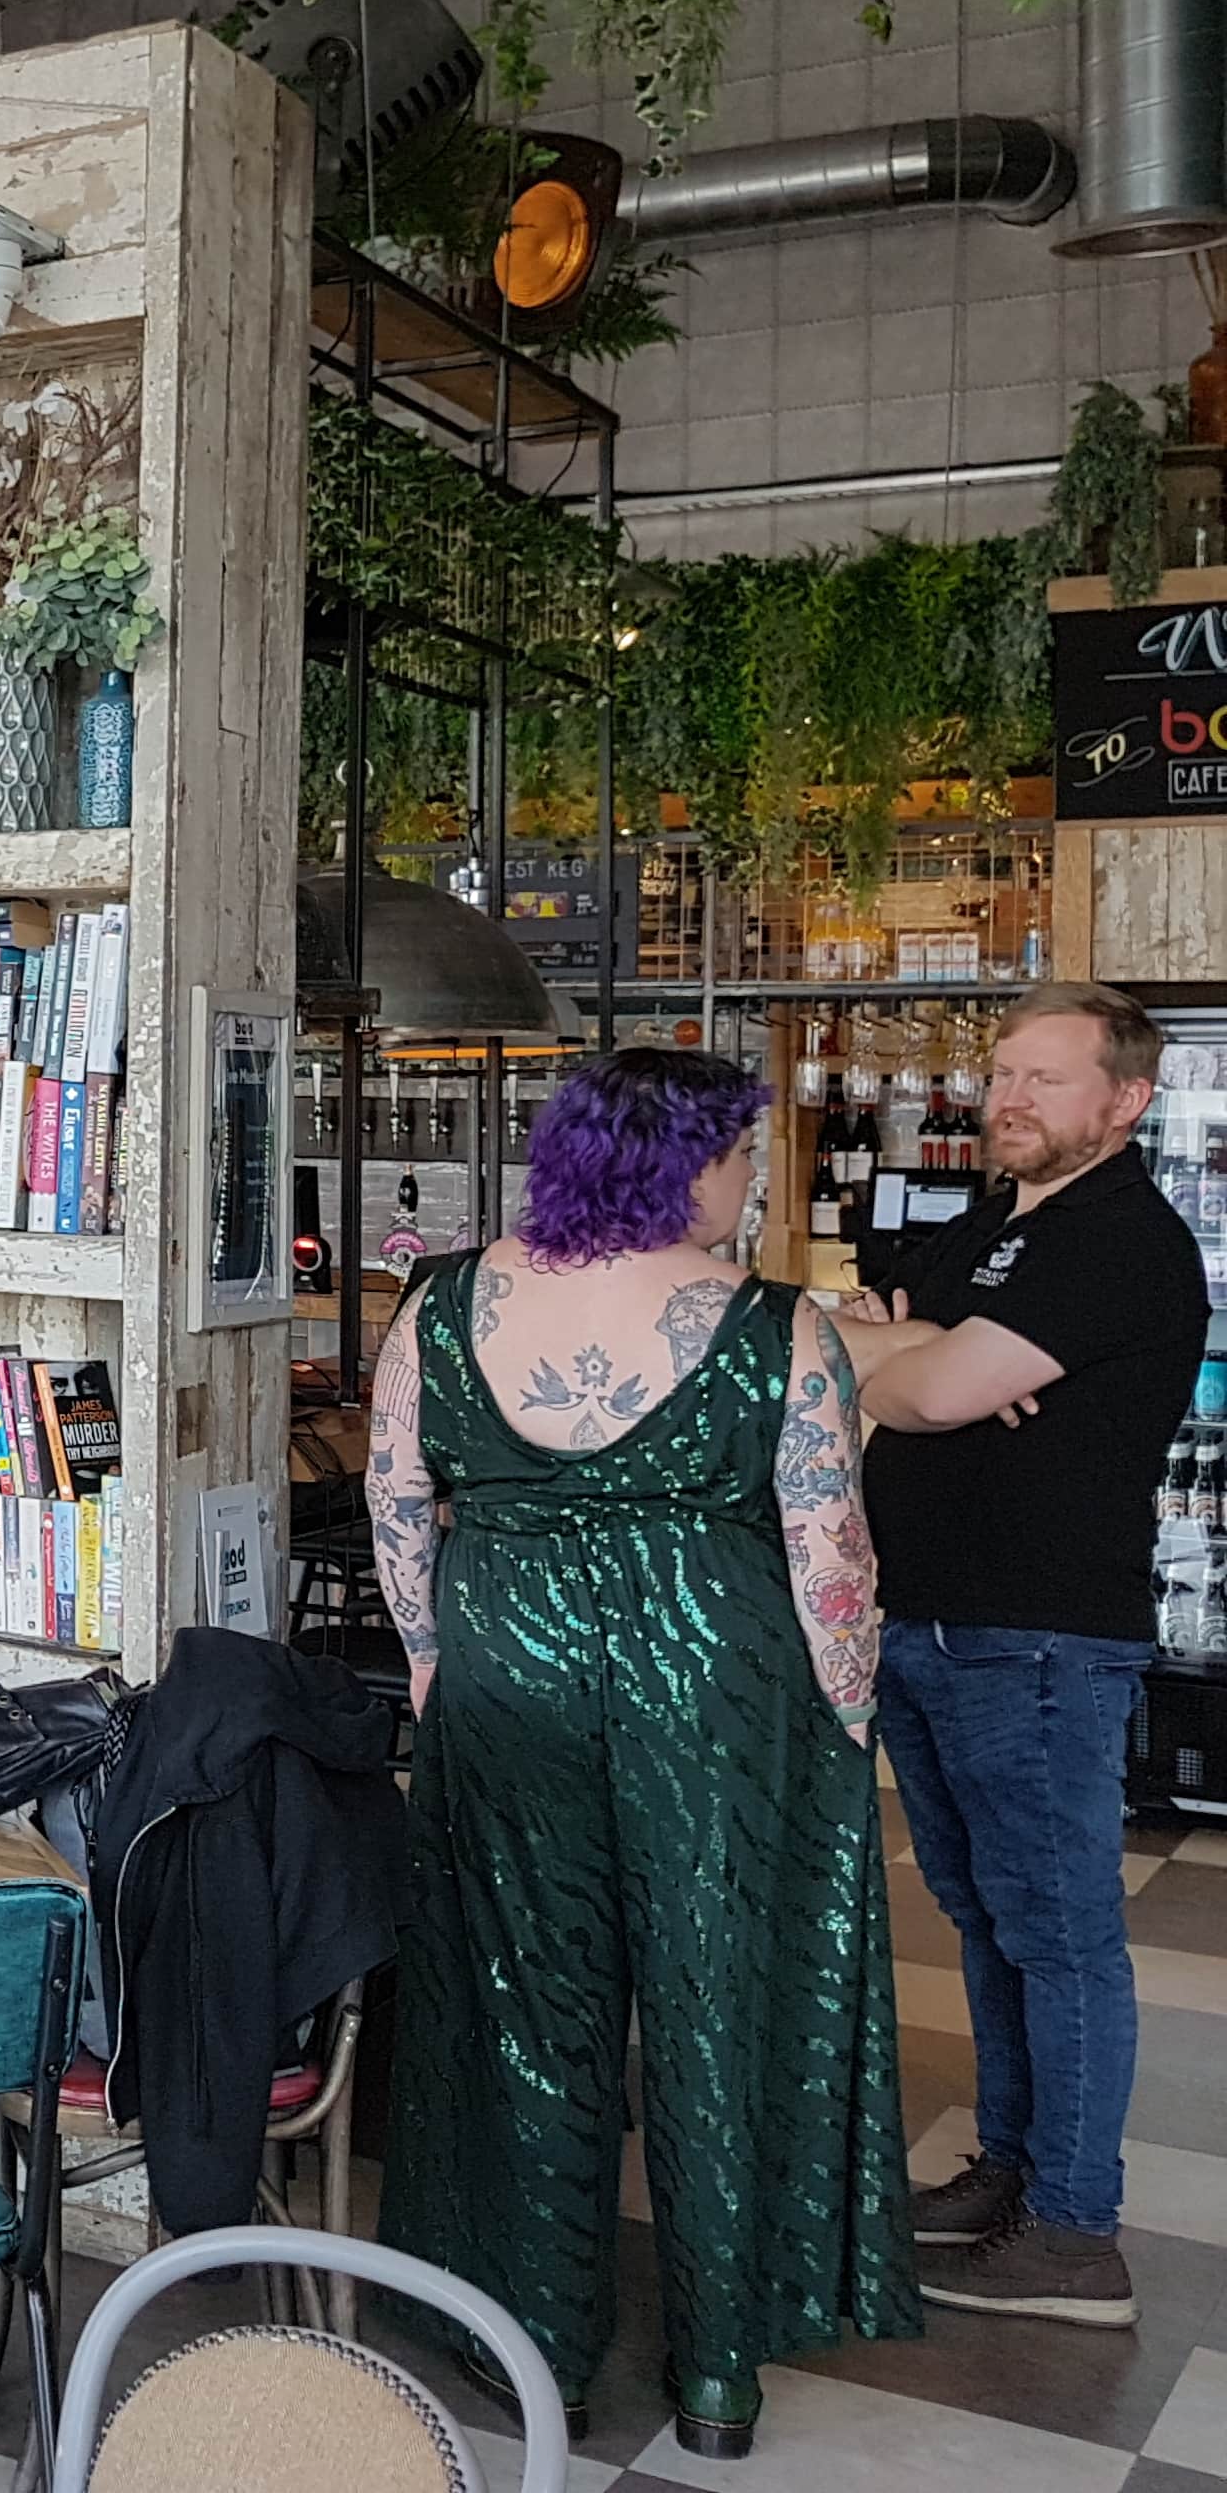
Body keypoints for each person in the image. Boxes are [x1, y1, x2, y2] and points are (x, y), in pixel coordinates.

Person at [368, 1043, 914, 2462]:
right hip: (716, 1699)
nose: (751, 1183)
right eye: (740, 1155)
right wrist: (850, 1722)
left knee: (520, 2006)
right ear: (683, 1163)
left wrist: (437, 1666)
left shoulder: (437, 1306)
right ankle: (718, 2372)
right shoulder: (779, 1327)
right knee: (718, 2005)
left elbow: (398, 1507)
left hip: (505, 1681)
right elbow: (830, 1559)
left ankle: (531, 2340)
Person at [834, 981, 1209, 2330]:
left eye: (1045, 1079)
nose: (1010, 1098)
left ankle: (1074, 2233)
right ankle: (1013, 2169)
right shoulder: (998, 1222)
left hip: (1039, 1636)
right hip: (928, 1620)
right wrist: (911, 1348)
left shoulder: (1123, 1241)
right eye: (1002, 1073)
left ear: (1126, 1101)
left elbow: (914, 1383)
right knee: (987, 1918)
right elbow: (887, 1347)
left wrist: (913, 1357)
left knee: (1057, 1933)